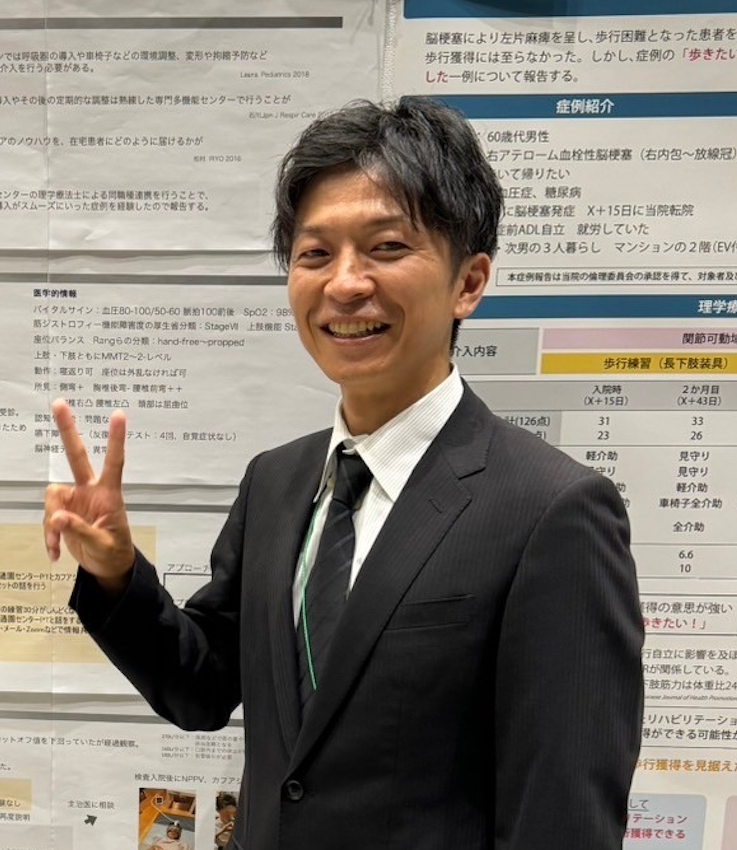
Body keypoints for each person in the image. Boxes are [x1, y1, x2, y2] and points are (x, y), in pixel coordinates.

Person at [44, 96, 644, 849]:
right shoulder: (277, 482)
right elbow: (202, 687)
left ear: (468, 282)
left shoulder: (552, 510)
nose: (346, 284)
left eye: (387, 247)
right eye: (315, 254)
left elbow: (562, 818)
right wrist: (114, 574)